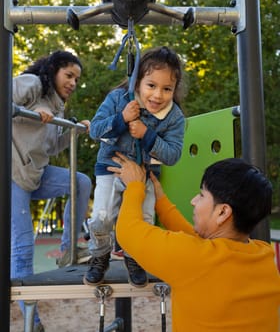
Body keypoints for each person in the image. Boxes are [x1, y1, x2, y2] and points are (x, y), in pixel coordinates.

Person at [109, 152, 280, 332]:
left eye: (201, 195)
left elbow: (128, 231)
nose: (193, 201)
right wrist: (160, 201)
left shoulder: (194, 259)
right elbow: (198, 243)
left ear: (223, 212)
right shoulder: (264, 255)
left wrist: (135, 186)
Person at [84, 46, 186, 287]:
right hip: (111, 169)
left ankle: (135, 257)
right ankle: (100, 255)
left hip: (144, 176)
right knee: (101, 218)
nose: (158, 95)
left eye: (167, 89)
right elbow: (96, 130)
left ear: (174, 90)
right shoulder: (118, 99)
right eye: (151, 85)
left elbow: (172, 155)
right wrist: (122, 119)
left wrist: (147, 135)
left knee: (144, 222)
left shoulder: (174, 117)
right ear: (138, 81)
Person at [11, 50, 92, 332]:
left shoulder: (58, 106)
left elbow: (51, 146)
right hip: (12, 173)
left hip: (36, 173)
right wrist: (32, 112)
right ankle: (32, 323)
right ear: (53, 70)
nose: (73, 83)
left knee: (81, 182)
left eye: (76, 79)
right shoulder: (32, 84)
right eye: (68, 75)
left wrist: (72, 131)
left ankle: (68, 249)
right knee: (22, 247)